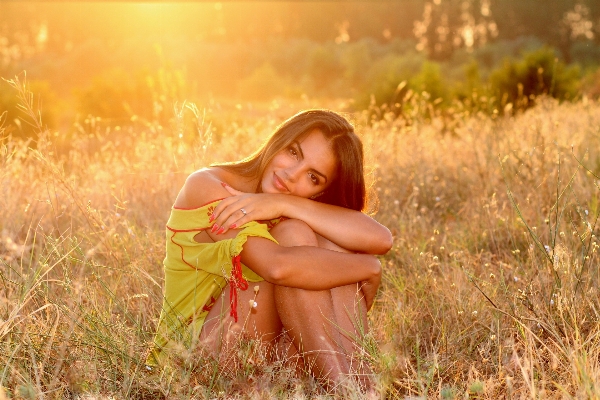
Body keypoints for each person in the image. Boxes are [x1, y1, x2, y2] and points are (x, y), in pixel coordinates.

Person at [148, 109, 392, 390]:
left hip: (271, 357)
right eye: (293, 152)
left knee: (320, 242)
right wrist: (369, 268)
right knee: (298, 243)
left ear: (321, 193)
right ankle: (347, 388)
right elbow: (276, 266)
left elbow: (381, 239)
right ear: (279, 139)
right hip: (195, 363)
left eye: (313, 177)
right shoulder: (209, 186)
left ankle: (356, 385)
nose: (290, 175)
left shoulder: (288, 204)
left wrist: (285, 204)